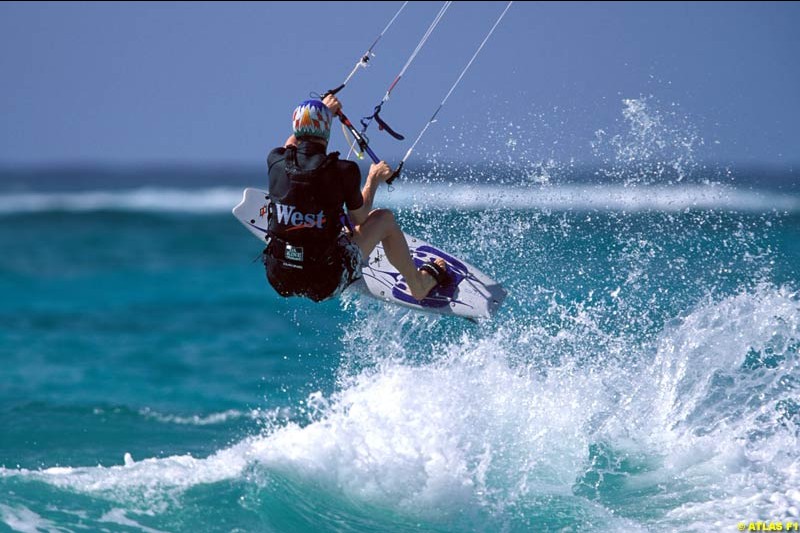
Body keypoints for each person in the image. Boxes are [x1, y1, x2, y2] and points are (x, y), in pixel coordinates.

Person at [262, 94, 449, 303]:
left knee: (322, 214)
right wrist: (373, 178)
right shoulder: (343, 171)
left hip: (280, 279)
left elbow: (292, 144)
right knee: (383, 219)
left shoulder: (275, 161)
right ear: (327, 131)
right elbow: (361, 218)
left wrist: (321, 112)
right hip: (326, 284)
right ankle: (418, 285)